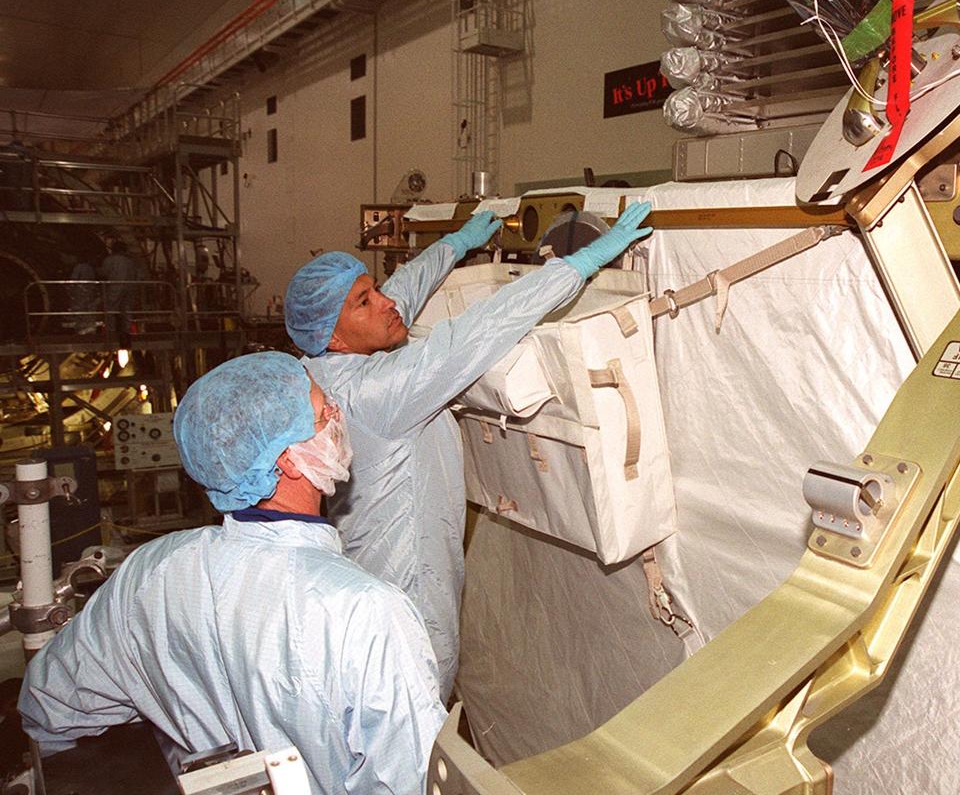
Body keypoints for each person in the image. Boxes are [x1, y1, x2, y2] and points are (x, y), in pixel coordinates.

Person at [19, 352, 446, 793]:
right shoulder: (367, 613)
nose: (338, 415)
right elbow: (414, 779)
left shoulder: (151, 571)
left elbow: (51, 706)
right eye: (323, 414)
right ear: (289, 461)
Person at [284, 202, 653, 698]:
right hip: (408, 576)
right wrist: (576, 267)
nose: (385, 302)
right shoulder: (377, 391)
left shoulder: (326, 368)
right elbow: (477, 332)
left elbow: (399, 298)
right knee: (418, 691)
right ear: (333, 332)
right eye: (364, 301)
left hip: (373, 559)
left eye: (373, 288)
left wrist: (454, 245)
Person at [99, 240, 142, 346]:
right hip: (129, 287)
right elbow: (138, 274)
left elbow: (104, 272)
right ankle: (127, 330)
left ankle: (111, 331)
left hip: (115, 286)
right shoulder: (130, 261)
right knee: (127, 309)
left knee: (111, 309)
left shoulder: (110, 260)